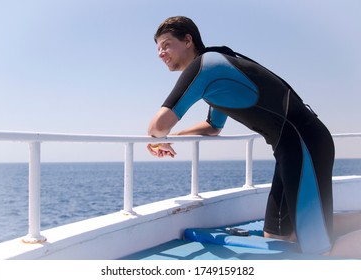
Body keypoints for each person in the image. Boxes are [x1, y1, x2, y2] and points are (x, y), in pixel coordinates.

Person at [147, 16, 361, 257]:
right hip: (291, 147)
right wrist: (172, 136)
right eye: (158, 49)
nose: (160, 53)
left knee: (319, 250)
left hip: (304, 143)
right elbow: (212, 126)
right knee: (278, 235)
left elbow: (158, 125)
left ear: (188, 40)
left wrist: (158, 136)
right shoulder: (216, 69)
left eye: (166, 45)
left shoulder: (205, 67)